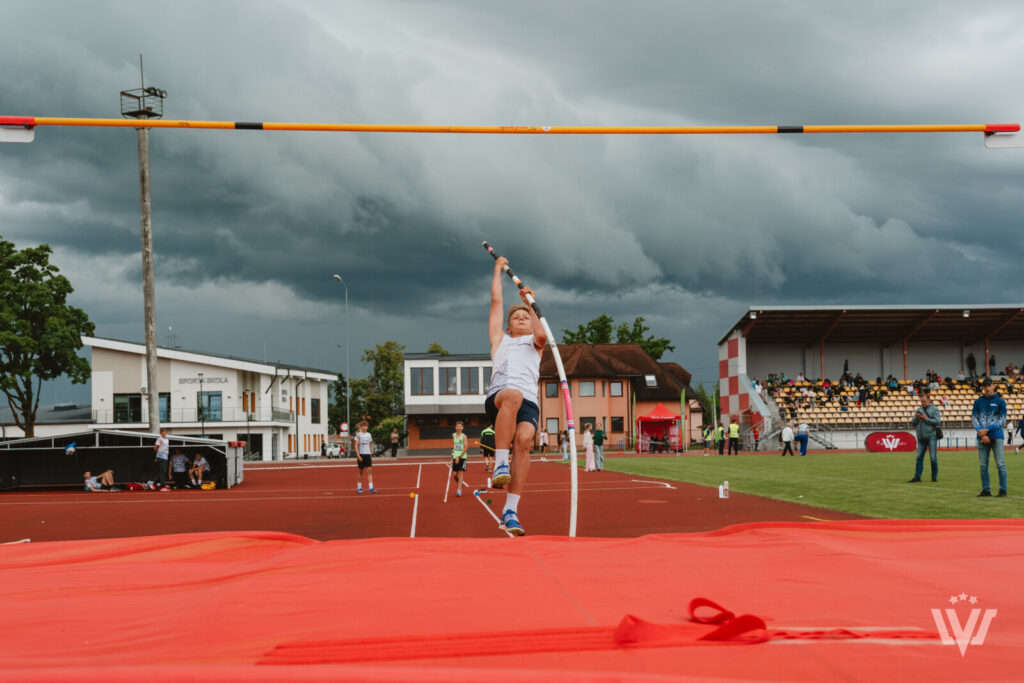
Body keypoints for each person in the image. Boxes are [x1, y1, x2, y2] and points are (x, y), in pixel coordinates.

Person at [485, 255, 546, 536]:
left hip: (529, 402)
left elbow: (543, 334)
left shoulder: (535, 342)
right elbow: (496, 303)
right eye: (516, 317)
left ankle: (510, 511)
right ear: (508, 326)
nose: (521, 318)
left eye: (525, 316)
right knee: (512, 395)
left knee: (523, 442)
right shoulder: (500, 340)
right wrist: (497, 270)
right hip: (501, 398)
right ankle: (500, 463)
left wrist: (531, 303)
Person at [972, 378, 1008, 497]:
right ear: (982, 387)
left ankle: (1003, 490)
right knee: (983, 465)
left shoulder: (1000, 402)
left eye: (989, 385)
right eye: (985, 386)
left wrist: (987, 430)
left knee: (1000, 464)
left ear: (993, 386)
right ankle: (986, 490)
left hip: (997, 436)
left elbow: (1002, 420)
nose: (987, 388)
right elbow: (974, 418)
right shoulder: (978, 402)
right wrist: (982, 433)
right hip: (982, 437)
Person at [908, 388, 942, 483]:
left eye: (924, 401)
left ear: (929, 400)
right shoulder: (919, 409)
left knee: (933, 457)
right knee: (919, 457)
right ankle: (917, 477)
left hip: (931, 436)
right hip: (921, 437)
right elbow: (913, 423)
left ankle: (934, 477)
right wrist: (916, 417)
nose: (923, 403)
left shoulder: (935, 409)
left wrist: (925, 419)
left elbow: (937, 421)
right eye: (921, 401)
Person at [353, 420, 376, 493]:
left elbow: (370, 445)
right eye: (363, 426)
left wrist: (370, 454)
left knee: (369, 471)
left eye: (366, 426)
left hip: (367, 455)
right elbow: (356, 445)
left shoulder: (369, 435)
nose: (365, 427)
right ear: (361, 427)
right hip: (361, 454)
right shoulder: (358, 435)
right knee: (360, 471)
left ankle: (371, 488)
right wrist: (358, 455)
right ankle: (359, 488)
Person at [450, 420, 469, 496]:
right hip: (455, 456)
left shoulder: (464, 436)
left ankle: (459, 490)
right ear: (455, 427)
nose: (459, 427)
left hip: (462, 456)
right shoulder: (453, 435)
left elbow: (466, 447)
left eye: (460, 426)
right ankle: (460, 483)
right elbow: (455, 444)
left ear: (462, 428)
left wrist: (459, 457)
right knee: (454, 475)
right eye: (458, 426)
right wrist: (453, 450)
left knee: (460, 473)